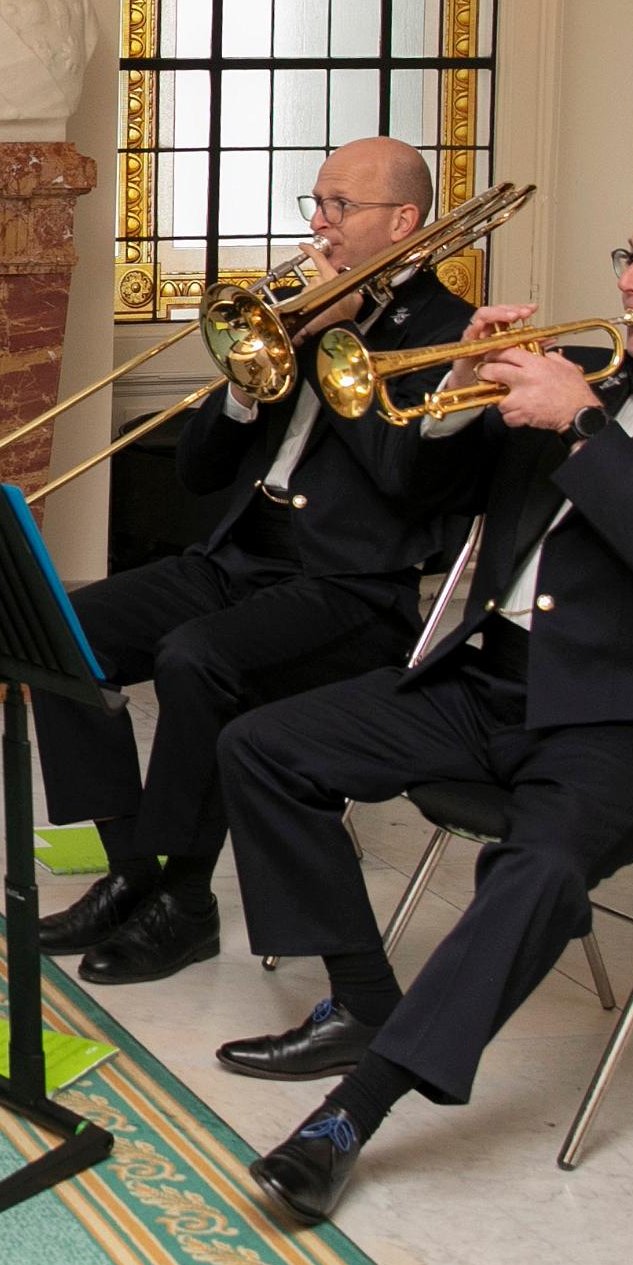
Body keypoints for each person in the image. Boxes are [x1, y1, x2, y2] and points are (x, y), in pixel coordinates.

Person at [213, 199, 633, 1225]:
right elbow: (419, 486)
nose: (630, 280)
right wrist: (455, 391)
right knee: (264, 746)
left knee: (535, 869)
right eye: (629, 256)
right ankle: (366, 1001)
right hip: (489, 681)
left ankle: (352, 1116)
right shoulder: (583, 372)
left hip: (629, 723)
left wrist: (585, 429)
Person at [35, 137, 474, 987]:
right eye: (317, 203)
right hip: (242, 553)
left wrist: (336, 348)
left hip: (352, 586)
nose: (320, 223)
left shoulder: (446, 334)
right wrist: (244, 381)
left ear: (404, 221)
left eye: (341, 206)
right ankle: (133, 871)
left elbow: (406, 478)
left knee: (195, 658)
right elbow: (199, 472)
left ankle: (185, 901)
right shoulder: (302, 306)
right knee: (61, 629)